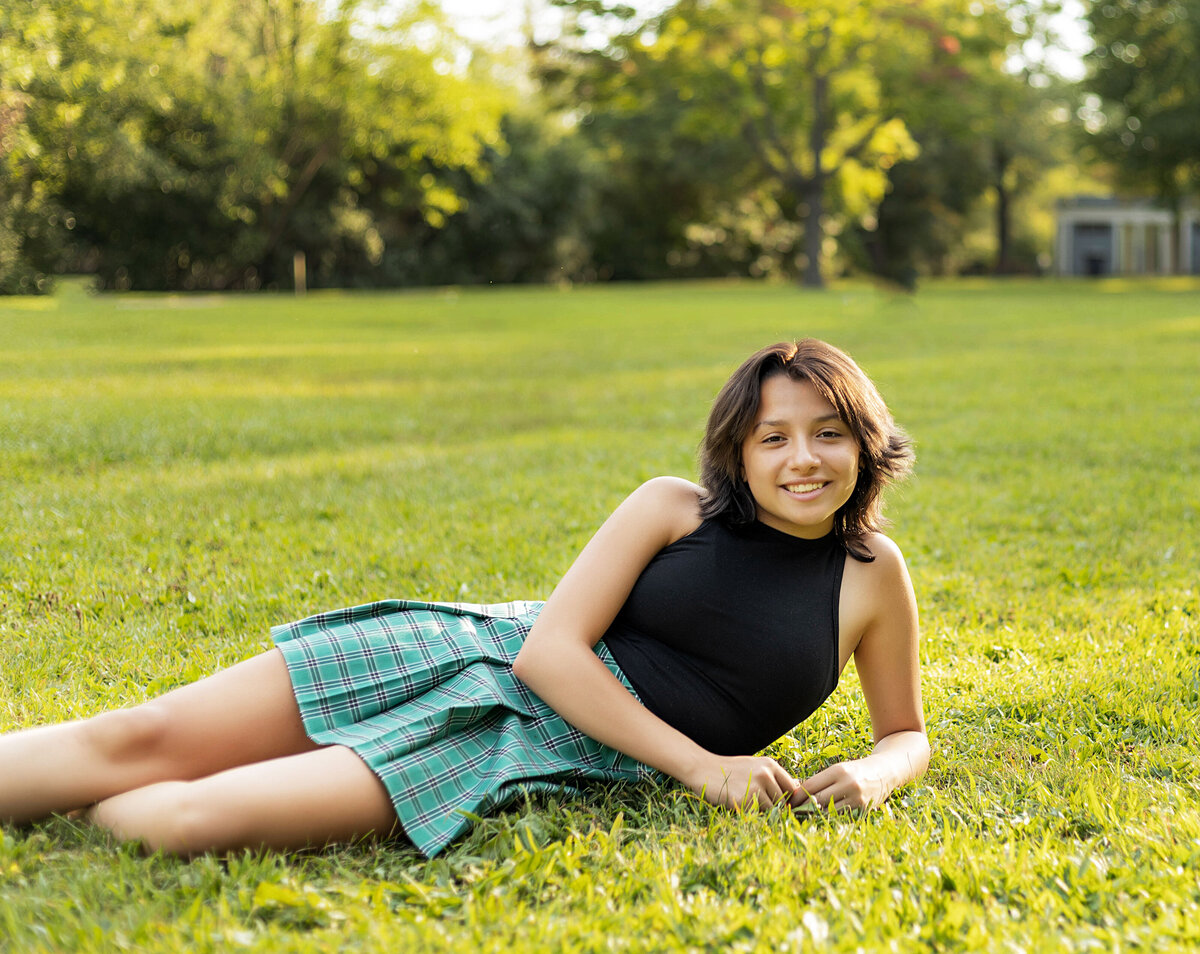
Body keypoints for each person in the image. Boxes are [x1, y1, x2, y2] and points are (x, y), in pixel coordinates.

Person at [0, 339, 929, 858]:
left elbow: (906, 734)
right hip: (469, 652)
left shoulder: (871, 574)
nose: (802, 460)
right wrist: (702, 766)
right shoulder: (671, 507)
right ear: (739, 450)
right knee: (131, 740)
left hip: (536, 745)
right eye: (773, 437)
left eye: (827, 433)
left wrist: (876, 775)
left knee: (186, 821)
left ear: (866, 443)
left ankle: (74, 805)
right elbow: (547, 653)